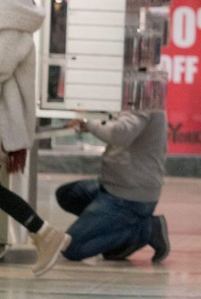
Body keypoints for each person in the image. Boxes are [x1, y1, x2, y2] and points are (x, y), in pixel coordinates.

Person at [0, 0, 71, 277]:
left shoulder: (10, 12)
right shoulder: (3, 7)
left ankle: (46, 234)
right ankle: (45, 234)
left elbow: (1, 65)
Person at [58, 110, 169, 263]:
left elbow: (120, 134)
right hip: (112, 186)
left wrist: (88, 121)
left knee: (71, 248)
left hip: (129, 196)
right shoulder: (131, 99)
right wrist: (88, 124)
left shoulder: (143, 101)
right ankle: (115, 234)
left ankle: (146, 229)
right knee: (67, 195)